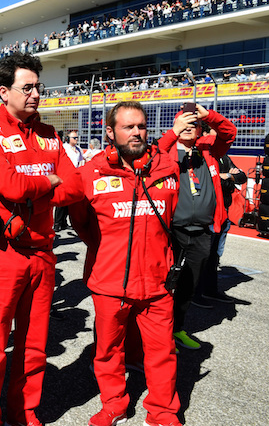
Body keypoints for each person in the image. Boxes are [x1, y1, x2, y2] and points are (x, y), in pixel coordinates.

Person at [0, 52, 82, 426]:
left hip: (43, 253)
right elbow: (7, 185)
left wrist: (37, 189)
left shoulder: (50, 134)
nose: (36, 94)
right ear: (4, 92)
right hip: (2, 253)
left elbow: (75, 188)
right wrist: (47, 183)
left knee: (34, 346)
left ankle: (25, 414)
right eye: (27, 87)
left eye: (39, 87)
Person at [67, 101, 183, 426]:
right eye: (128, 127)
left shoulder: (167, 167)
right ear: (110, 132)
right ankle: (114, 405)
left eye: (141, 126)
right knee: (107, 352)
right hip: (109, 281)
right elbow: (79, 219)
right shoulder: (90, 172)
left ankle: (162, 412)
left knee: (162, 353)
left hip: (158, 283)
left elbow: (177, 217)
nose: (136, 133)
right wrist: (101, 250)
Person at [158, 103, 236, 350]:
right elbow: (151, 155)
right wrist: (173, 133)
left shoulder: (208, 149)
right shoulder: (166, 150)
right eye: (185, 123)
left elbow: (229, 133)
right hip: (172, 230)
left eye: (195, 124)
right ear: (176, 126)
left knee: (189, 285)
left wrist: (209, 116)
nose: (190, 127)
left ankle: (177, 329)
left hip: (202, 230)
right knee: (164, 284)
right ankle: (158, 333)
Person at [193, 127, 247, 306]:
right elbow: (202, 180)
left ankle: (210, 290)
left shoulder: (223, 156)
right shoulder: (200, 154)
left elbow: (242, 176)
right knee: (203, 255)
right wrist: (222, 176)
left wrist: (227, 177)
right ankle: (194, 294)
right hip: (207, 213)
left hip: (224, 212)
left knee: (215, 255)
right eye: (218, 134)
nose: (222, 139)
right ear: (207, 134)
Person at [54, 130, 85, 231]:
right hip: (64, 175)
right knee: (61, 201)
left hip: (73, 175)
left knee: (70, 201)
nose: (76, 140)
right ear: (68, 139)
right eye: (74, 138)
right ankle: (57, 223)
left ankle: (64, 222)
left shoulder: (78, 149)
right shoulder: (64, 148)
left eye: (77, 138)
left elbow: (81, 162)